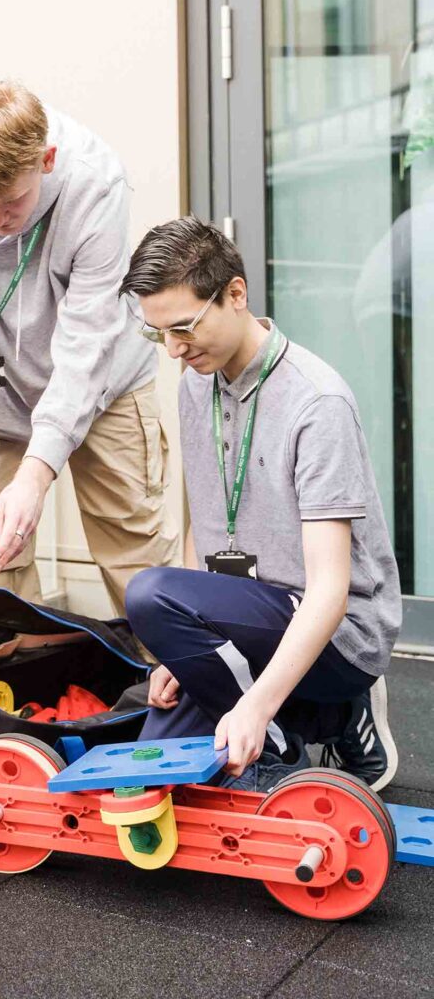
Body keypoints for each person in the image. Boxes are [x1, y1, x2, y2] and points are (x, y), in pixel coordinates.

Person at [120, 216, 400, 792]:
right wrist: (182, 650)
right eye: (158, 335)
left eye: (184, 328)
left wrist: (254, 710)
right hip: (254, 613)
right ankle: (322, 721)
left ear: (236, 294)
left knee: (148, 593)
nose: (173, 350)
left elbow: (329, 590)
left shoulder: (317, 403)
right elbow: (204, 517)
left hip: (338, 629)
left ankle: (301, 730)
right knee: (151, 766)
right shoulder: (197, 381)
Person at [0, 80, 179, 614]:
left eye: (9, 204)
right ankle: (16, 690)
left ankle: (166, 684)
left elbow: (85, 344)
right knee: (1, 557)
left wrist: (37, 473)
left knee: (132, 550)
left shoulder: (95, 185)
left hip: (106, 385)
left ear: (47, 160)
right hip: (3, 392)